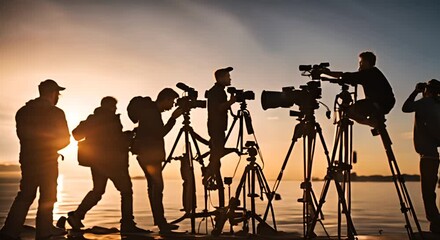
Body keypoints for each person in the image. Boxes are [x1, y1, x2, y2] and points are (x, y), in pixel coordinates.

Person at [66, 97, 148, 234]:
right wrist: (127, 137)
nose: (116, 109)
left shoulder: (93, 119)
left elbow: (76, 134)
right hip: (113, 163)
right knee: (126, 191)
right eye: (114, 106)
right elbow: (114, 140)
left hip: (97, 162)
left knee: (98, 191)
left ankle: (77, 216)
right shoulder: (111, 119)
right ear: (110, 106)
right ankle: (127, 224)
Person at [0, 79, 70, 240]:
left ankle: (10, 231)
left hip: (28, 159)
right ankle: (44, 231)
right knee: (48, 195)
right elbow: (65, 139)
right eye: (58, 93)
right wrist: (52, 147)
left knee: (25, 194)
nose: (58, 96)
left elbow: (22, 136)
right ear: (53, 94)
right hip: (48, 160)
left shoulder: (22, 111)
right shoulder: (56, 112)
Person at [128, 88, 182, 233]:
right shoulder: (152, 113)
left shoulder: (152, 111)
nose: (172, 104)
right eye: (171, 101)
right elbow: (160, 134)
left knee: (154, 187)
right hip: (149, 155)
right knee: (157, 187)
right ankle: (161, 224)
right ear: (164, 99)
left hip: (147, 154)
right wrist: (174, 118)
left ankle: (160, 222)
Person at [402, 79, 440, 233]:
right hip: (434, 154)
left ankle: (436, 225)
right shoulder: (437, 104)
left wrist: (416, 91)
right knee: (431, 190)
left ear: (427, 90)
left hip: (427, 155)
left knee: (428, 192)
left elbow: (405, 108)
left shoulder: (425, 102)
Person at [323, 51, 395, 127]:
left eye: (361, 62)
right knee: (355, 108)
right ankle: (374, 121)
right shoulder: (374, 72)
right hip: (384, 103)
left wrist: (326, 73)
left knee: (349, 112)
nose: (360, 64)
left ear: (366, 62)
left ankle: (372, 123)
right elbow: (352, 78)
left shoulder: (368, 73)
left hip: (378, 103)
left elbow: (347, 76)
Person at [204, 67, 236, 208]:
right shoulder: (216, 92)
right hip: (216, 128)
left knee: (216, 153)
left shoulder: (217, 91)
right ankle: (209, 174)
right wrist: (231, 102)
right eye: (228, 76)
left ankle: (211, 173)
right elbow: (218, 108)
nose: (230, 79)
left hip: (217, 127)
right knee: (217, 153)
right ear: (221, 78)